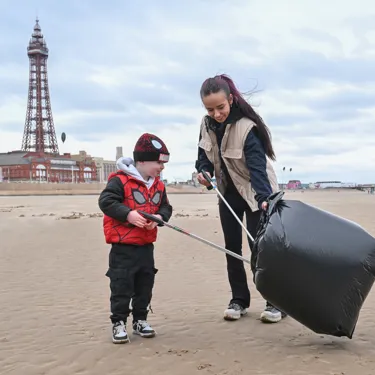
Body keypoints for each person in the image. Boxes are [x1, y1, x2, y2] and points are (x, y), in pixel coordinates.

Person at [195, 74, 286, 324]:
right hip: (228, 194)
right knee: (231, 249)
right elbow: (204, 157)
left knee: (261, 250)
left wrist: (265, 198)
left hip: (256, 192)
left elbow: (257, 168)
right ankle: (239, 300)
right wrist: (204, 172)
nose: (216, 113)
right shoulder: (206, 125)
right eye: (210, 109)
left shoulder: (247, 127)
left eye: (220, 107)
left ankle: (275, 302)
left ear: (231, 100)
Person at [98, 133, 173, 344]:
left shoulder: (158, 185)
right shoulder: (120, 180)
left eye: (164, 163)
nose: (162, 167)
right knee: (121, 286)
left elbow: (165, 207)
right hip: (122, 247)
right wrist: (128, 214)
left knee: (144, 285)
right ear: (141, 160)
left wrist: (159, 218)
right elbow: (107, 201)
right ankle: (118, 322)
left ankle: (140, 320)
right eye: (158, 162)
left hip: (146, 246)